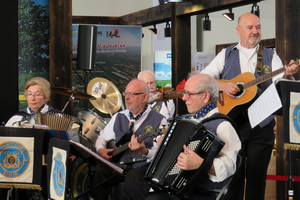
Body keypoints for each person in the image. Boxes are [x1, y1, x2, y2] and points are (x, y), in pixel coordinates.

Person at [200, 13, 299, 200]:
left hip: (262, 128)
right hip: (232, 126)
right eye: (250, 27)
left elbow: (280, 84)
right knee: (232, 180)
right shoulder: (226, 54)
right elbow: (204, 79)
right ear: (238, 30)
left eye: (258, 27)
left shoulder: (271, 55)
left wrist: (289, 74)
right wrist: (223, 85)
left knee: (257, 180)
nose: (255, 31)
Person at [146, 73, 241, 200]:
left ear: (205, 96)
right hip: (174, 186)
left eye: (189, 94)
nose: (184, 98)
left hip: (201, 193)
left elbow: (230, 167)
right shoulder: (188, 120)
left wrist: (202, 164)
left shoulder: (222, 125)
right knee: (128, 188)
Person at [93, 79, 167, 200]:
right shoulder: (119, 116)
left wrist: (145, 151)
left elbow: (162, 154)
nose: (127, 98)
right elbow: (102, 137)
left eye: (132, 94)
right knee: (101, 170)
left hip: (142, 167)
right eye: (126, 93)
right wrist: (100, 149)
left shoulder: (159, 120)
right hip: (120, 165)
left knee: (134, 174)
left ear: (144, 97)